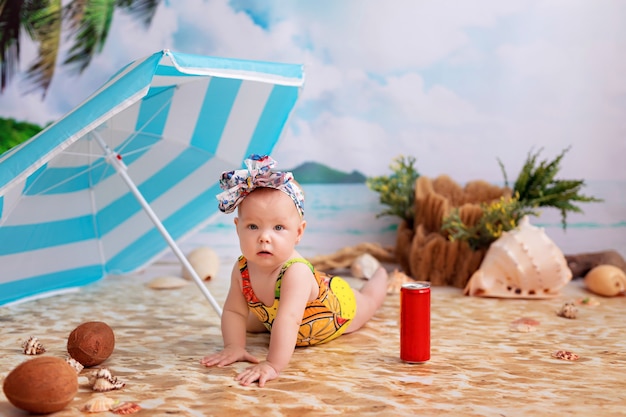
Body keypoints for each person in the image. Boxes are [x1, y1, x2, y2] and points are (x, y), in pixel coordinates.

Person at [200, 155, 388, 387]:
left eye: (278, 227)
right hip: (281, 317)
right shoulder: (242, 268)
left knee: (369, 299)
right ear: (238, 229)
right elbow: (234, 311)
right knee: (248, 320)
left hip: (337, 310)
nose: (264, 237)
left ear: (298, 232)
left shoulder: (295, 272)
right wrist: (234, 346)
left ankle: (382, 275)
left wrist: (272, 364)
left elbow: (288, 321)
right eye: (253, 226)